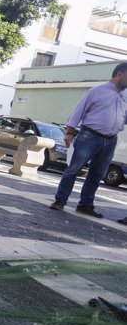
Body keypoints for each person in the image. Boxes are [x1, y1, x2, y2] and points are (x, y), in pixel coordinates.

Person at [49, 62, 127, 218]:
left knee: (97, 174)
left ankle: (85, 205)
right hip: (89, 136)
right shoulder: (97, 91)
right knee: (73, 170)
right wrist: (69, 132)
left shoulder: (126, 95)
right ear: (120, 74)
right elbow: (78, 111)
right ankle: (60, 200)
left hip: (111, 140)